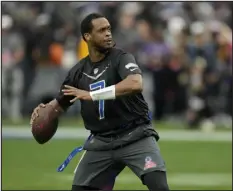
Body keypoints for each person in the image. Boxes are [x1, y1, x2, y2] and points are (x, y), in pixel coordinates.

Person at [30, 13, 169, 191]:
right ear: (87, 37)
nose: (108, 33)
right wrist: (46, 109)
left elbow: (135, 83)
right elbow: (61, 102)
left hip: (135, 135)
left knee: (159, 187)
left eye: (109, 29)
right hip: (101, 143)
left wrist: (93, 94)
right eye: (102, 30)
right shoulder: (78, 71)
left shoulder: (121, 57)